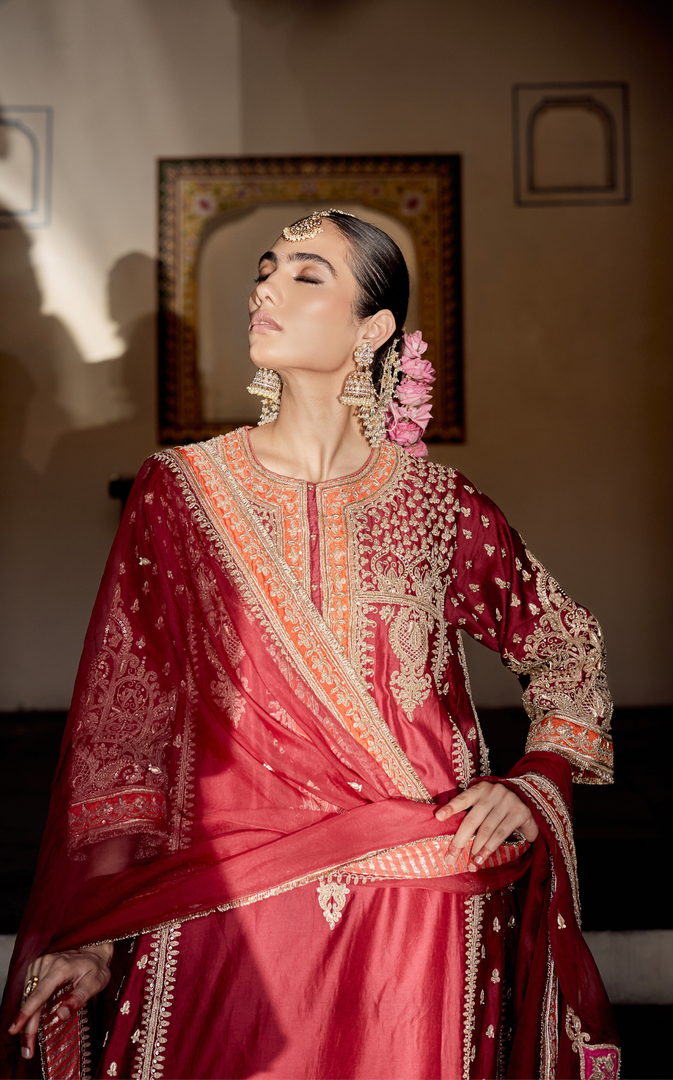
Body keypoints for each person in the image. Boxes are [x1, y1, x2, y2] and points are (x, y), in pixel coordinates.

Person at [1, 210, 619, 1080]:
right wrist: (99, 937)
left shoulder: (441, 508)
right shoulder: (183, 494)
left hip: (422, 904)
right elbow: (123, 736)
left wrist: (536, 781)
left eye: (305, 273)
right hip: (225, 901)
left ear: (374, 330)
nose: (264, 288)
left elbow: (568, 651)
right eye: (264, 269)